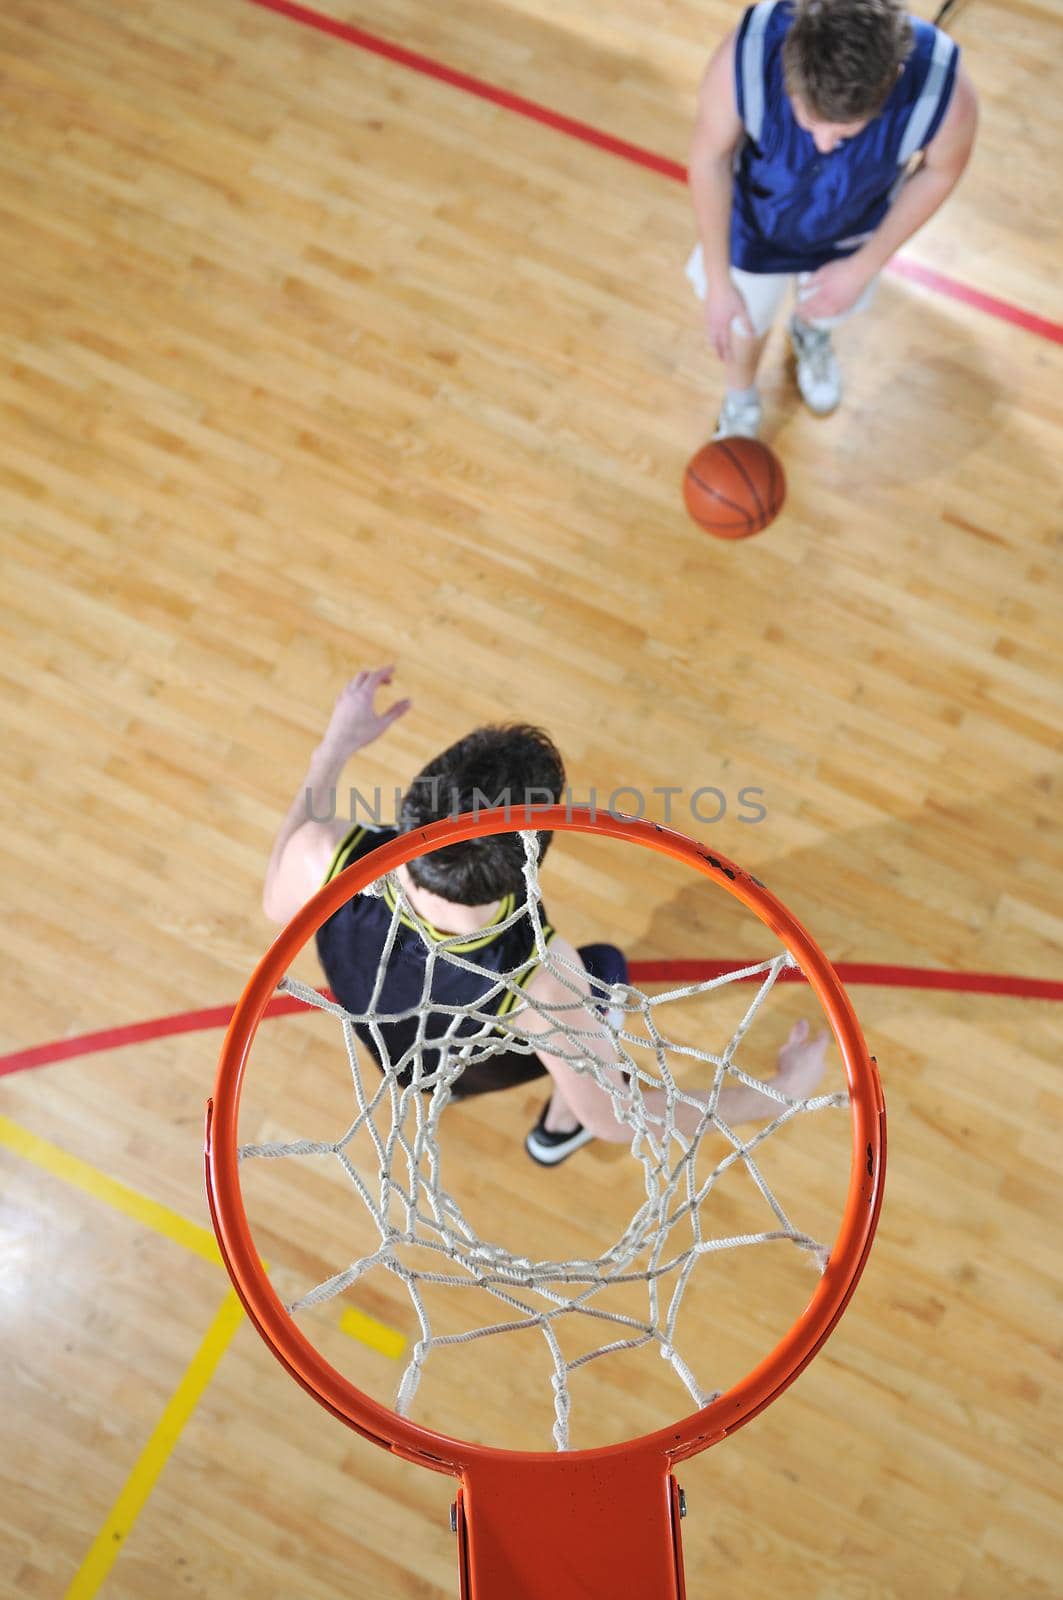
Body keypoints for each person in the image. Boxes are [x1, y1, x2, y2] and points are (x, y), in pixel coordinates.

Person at [263, 668, 828, 1163]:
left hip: (392, 1047)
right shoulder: (543, 977)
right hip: (461, 1068)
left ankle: (540, 1110)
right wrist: (779, 1090)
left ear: (418, 799)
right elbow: (615, 1118)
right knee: (603, 969)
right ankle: (557, 1130)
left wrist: (334, 747)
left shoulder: (325, 855)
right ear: (531, 860)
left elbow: (274, 902)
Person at [687, 0, 978, 438]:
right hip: (754, 222)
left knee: (826, 305)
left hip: (853, 230)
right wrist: (717, 277)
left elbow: (942, 171)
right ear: (789, 62)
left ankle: (809, 334)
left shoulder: (944, 89)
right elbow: (709, 158)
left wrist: (865, 265)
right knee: (742, 324)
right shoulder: (746, 53)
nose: (824, 145)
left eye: (844, 133)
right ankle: (741, 398)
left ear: (893, 78)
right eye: (809, 121)